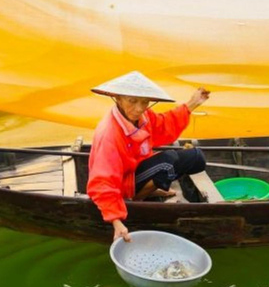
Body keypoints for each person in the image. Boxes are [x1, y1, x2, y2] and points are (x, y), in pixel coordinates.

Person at [86, 71, 210, 242]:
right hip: (122, 187)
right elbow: (102, 182)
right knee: (168, 163)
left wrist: (192, 104)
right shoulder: (109, 134)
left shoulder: (143, 117)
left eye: (144, 102)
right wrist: (116, 221)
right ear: (118, 98)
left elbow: (164, 126)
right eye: (132, 101)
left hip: (136, 172)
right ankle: (137, 199)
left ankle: (151, 186)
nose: (139, 108)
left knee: (196, 158)